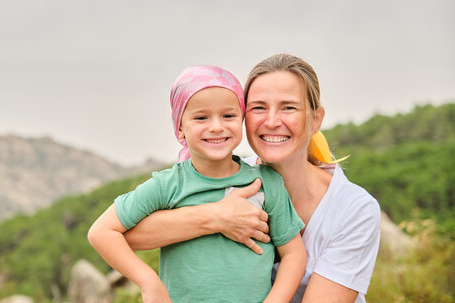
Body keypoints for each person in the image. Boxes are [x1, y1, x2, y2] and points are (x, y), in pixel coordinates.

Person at [124, 54, 381, 303]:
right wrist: (217, 216)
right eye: (258, 108)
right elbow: (127, 234)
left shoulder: (353, 209)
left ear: (316, 119)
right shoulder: (228, 175)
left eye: (288, 108)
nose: (271, 121)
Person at [87, 65, 307, 303]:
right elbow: (101, 232)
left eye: (228, 115)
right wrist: (148, 280)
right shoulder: (167, 185)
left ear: (241, 120)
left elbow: (293, 253)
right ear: (180, 128)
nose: (216, 126)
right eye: (201, 117)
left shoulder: (265, 182)